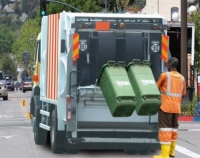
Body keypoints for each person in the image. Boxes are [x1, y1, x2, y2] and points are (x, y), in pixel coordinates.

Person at [153, 57, 186, 158]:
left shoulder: (164, 76)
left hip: (165, 107)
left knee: (165, 131)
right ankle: (172, 152)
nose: (166, 65)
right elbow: (183, 94)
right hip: (176, 108)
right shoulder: (182, 78)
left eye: (167, 64)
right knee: (173, 130)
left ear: (170, 64)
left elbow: (155, 88)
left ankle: (164, 155)